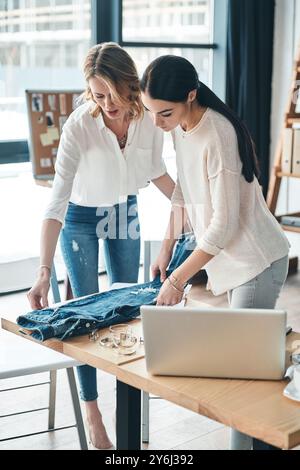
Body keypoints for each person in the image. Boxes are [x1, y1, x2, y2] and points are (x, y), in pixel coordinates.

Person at [27, 43, 175, 450]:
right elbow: (57, 199)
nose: (107, 103)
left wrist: (195, 207)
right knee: (87, 315)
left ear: (130, 84)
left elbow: (157, 172)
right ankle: (92, 413)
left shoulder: (147, 120)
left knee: (125, 309)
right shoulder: (79, 126)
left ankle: (127, 404)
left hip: (123, 211)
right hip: (80, 218)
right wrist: (43, 269)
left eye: (112, 92)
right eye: (97, 94)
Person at [140, 55, 290, 450]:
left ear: (191, 95)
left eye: (164, 112)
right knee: (247, 370)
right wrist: (167, 247)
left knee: (241, 376)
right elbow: (184, 192)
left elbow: (222, 227)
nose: (157, 122)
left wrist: (177, 278)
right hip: (235, 264)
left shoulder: (218, 133)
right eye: (151, 112)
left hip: (256, 262)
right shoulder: (181, 126)